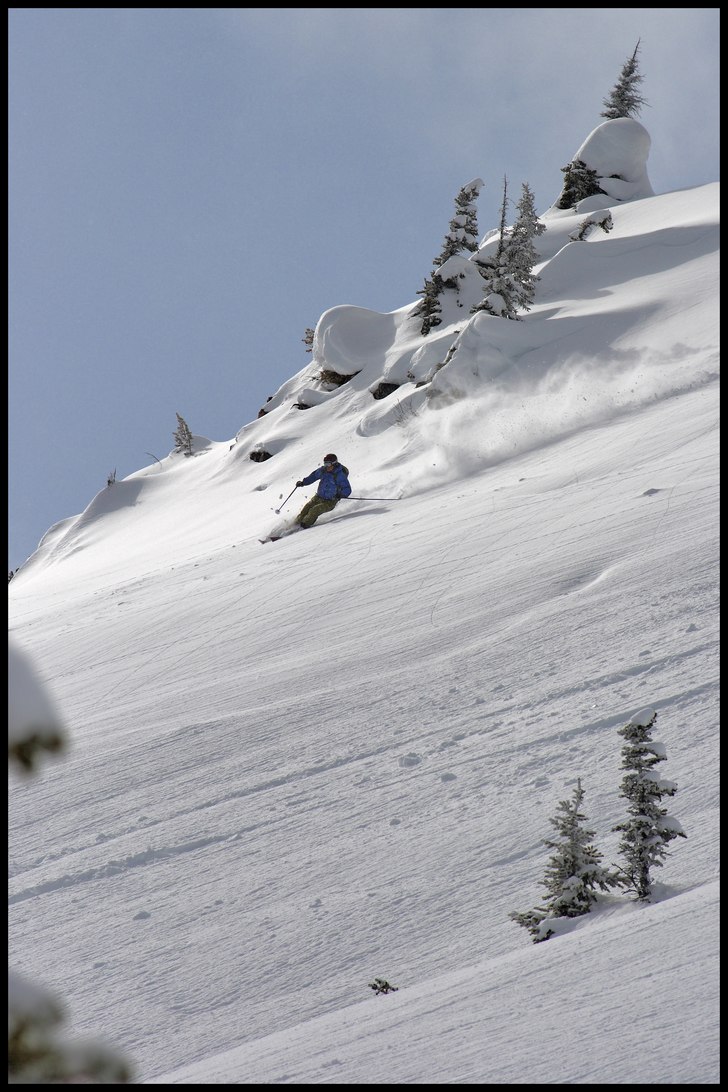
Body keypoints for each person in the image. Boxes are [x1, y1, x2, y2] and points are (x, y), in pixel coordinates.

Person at [294, 454, 351, 528]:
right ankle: (295, 525)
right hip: (318, 497)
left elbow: (347, 488)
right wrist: (303, 483)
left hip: (330, 501)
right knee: (306, 509)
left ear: (334, 464)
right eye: (325, 464)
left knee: (315, 510)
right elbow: (313, 476)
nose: (326, 466)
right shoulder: (323, 471)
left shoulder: (339, 475)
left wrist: (341, 494)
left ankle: (303, 526)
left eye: (328, 464)